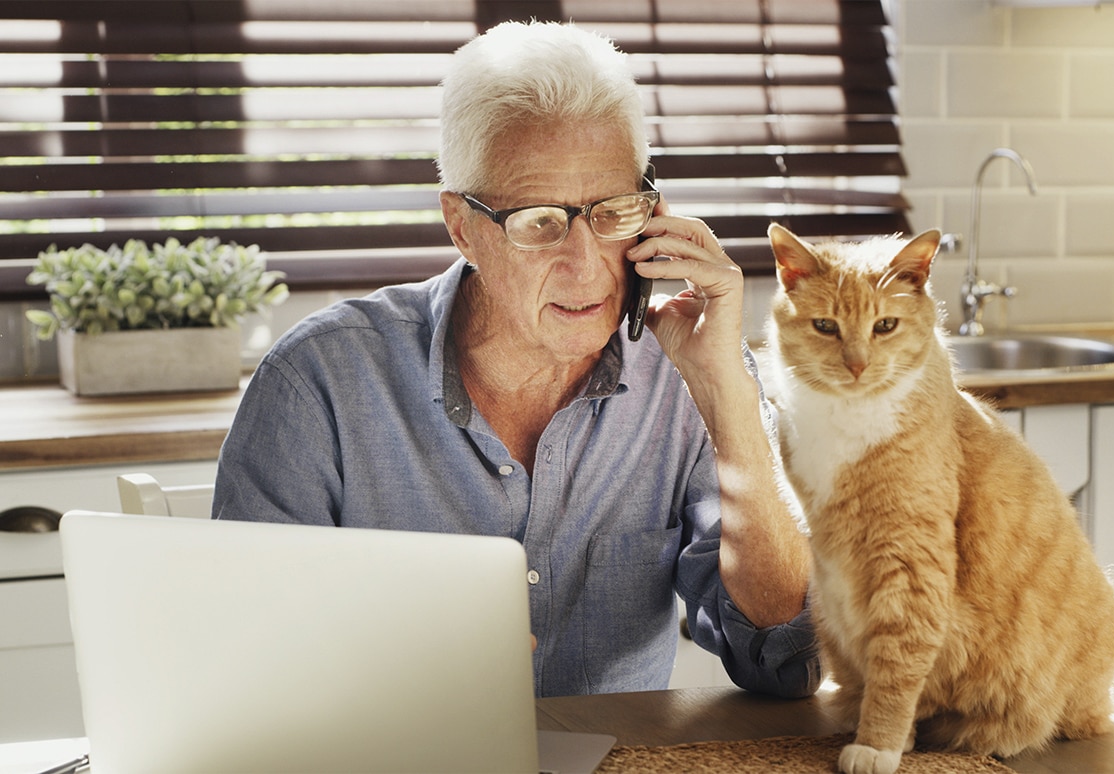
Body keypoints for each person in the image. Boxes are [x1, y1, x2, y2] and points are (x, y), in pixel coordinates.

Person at [213, 20, 820, 699]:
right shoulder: (317, 385)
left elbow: (780, 651)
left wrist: (728, 398)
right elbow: (246, 673)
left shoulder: (689, 371)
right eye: (539, 222)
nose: (585, 266)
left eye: (613, 212)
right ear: (463, 227)